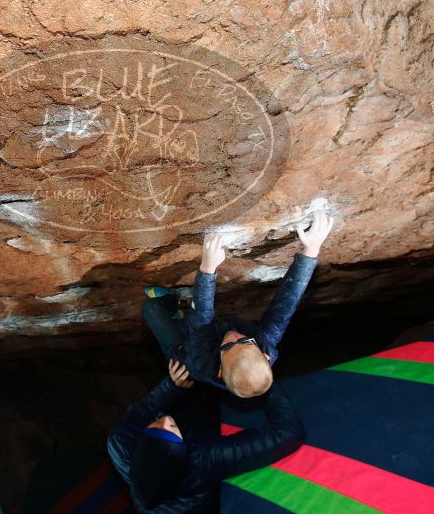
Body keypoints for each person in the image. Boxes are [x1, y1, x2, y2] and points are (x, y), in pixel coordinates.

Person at [142, 211, 334, 398]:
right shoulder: (265, 345)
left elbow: (202, 320)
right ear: (265, 356)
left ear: (220, 371)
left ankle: (177, 304)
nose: (233, 337)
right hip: (210, 328)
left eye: (227, 348)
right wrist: (310, 251)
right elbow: (285, 306)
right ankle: (178, 301)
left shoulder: (202, 363)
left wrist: (208, 267)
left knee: (151, 308)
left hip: (186, 348)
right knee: (198, 308)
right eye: (244, 341)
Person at [107, 359, 305, 511]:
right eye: (171, 431)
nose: (166, 420)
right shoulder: (203, 462)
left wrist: (172, 386)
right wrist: (258, 376)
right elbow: (288, 433)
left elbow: (147, 408)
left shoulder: (120, 441)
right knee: (209, 406)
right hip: (197, 502)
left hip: (184, 441)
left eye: (155, 428)